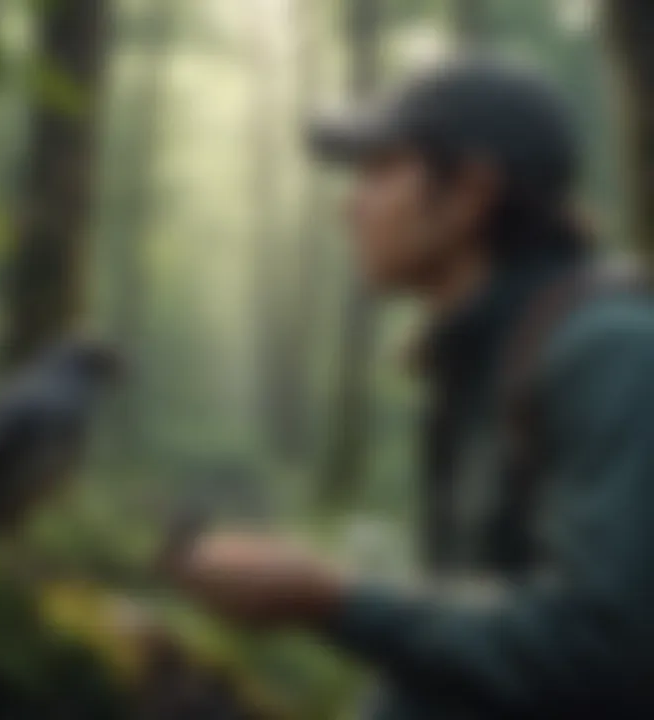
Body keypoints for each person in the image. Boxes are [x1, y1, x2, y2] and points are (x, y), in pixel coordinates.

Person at [162, 56, 654, 718]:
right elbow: (460, 670)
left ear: (470, 194)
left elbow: (604, 651)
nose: (350, 205)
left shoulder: (610, 353)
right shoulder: (480, 356)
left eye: (379, 171)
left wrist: (333, 600)